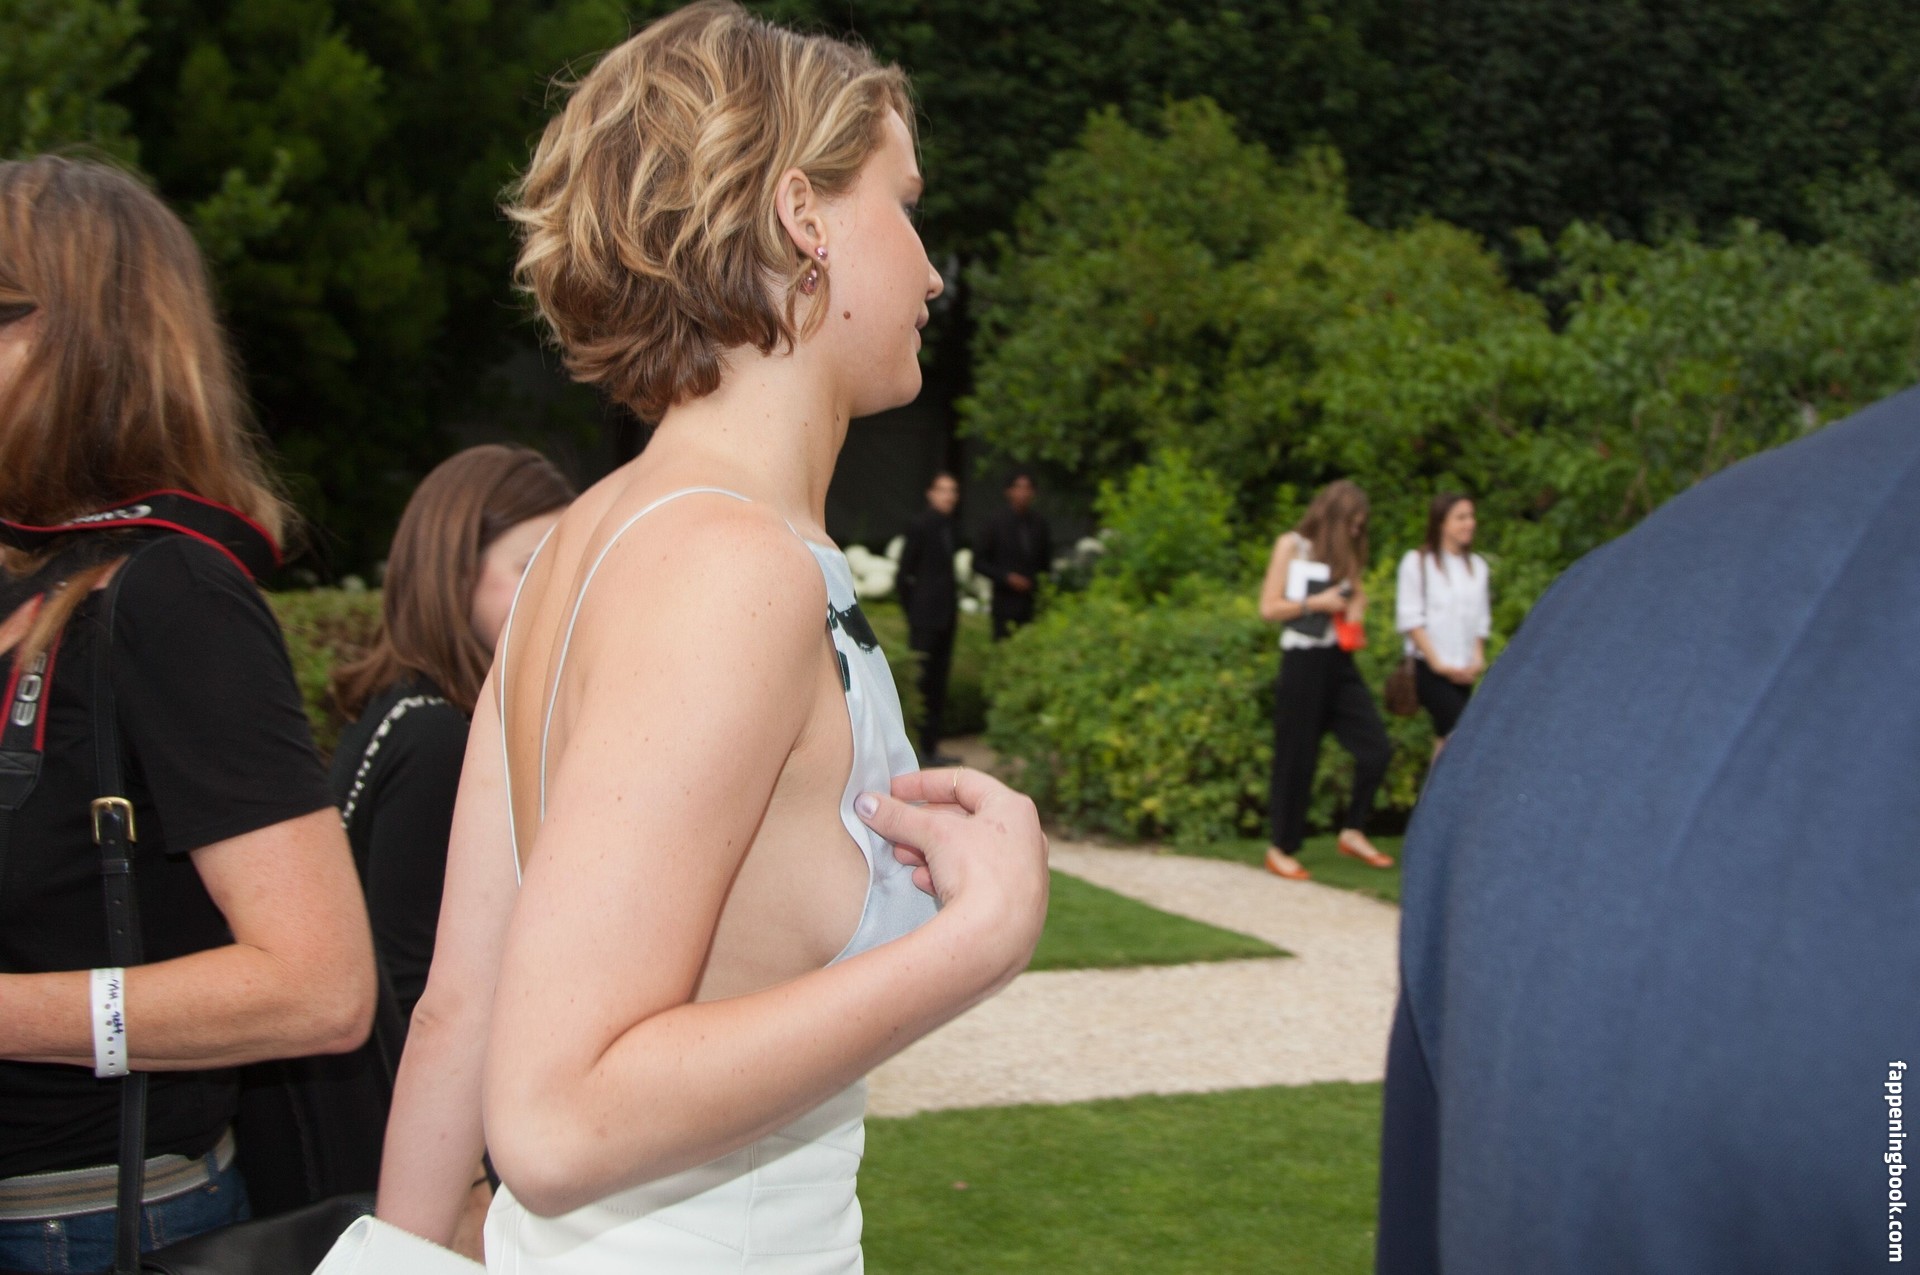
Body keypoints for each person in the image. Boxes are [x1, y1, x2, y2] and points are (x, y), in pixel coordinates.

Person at [374, 5, 1051, 1270]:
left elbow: (460, 1013)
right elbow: (555, 1118)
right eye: (904, 205)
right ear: (804, 215)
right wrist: (977, 942)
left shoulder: (583, 546)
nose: (930, 271)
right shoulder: (731, 568)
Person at [1376, 389, 1920, 1273]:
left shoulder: (1584, 614)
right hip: (1456, 682)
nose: (1470, 522)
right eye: (1463, 513)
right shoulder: (1569, 619)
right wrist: (1446, 661)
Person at [0, 156, 375, 1270]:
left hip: (83, 1228)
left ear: (89, 342)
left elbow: (319, 989)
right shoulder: (29, 590)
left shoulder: (173, 594)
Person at [330, 444, 575, 1024]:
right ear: (457, 576)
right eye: (532, 566)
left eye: (571, 568)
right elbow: (418, 992)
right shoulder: (435, 738)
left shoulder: (402, 709)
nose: (561, 591)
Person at [1256, 479, 1395, 881]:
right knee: (1297, 757)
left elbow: (1357, 597)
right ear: (1333, 516)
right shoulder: (1291, 545)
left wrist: (1355, 608)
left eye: (1360, 526)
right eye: (1351, 523)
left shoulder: (1345, 551)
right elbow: (1268, 608)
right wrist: (1316, 603)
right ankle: (1281, 848)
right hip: (1302, 660)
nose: (1355, 531)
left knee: (1376, 748)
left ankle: (1353, 830)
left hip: (1338, 659)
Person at [1394, 493, 1491, 755]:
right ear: (1442, 523)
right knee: (1461, 733)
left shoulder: (1477, 567)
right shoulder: (1417, 563)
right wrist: (1438, 664)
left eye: (1471, 516)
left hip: (1464, 668)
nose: (1469, 523)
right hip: (1430, 666)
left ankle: (1434, 782)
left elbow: (1480, 619)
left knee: (1446, 739)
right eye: (1460, 518)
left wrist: (1477, 658)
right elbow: (1411, 619)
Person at [897, 471, 962, 764]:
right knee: (921, 682)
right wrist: (914, 612)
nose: (949, 496)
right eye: (943, 490)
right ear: (931, 493)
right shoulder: (920, 525)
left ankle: (931, 747)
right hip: (924, 617)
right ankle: (913, 748)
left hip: (946, 616)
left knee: (938, 683)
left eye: (953, 491)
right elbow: (904, 574)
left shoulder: (950, 526)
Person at [977, 470, 1052, 640]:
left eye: (1027, 488)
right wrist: (1007, 577)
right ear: (1009, 492)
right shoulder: (995, 523)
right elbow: (979, 562)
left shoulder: (1039, 524)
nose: (1023, 493)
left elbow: (1045, 564)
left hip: (1031, 602)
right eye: (1018, 488)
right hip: (1005, 602)